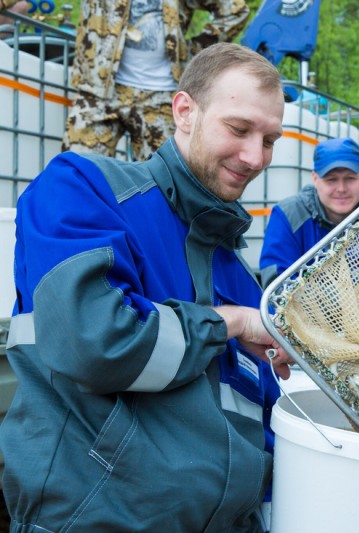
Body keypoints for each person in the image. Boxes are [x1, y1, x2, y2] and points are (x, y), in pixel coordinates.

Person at [0, 42, 297, 532]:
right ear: (184, 111)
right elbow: (96, 342)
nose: (255, 157)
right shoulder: (85, 187)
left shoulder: (239, 275)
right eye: (239, 129)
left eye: (269, 140)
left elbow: (252, 432)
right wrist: (230, 323)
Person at [62, 0, 249, 161]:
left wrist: (193, 52)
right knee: (75, 175)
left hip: (162, 95)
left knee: (163, 185)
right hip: (99, 90)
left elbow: (234, 10)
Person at [258, 136, 359, 287]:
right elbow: (276, 288)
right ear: (315, 178)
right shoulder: (288, 215)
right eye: (331, 179)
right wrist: (344, 298)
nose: (341, 189)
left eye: (350, 178)